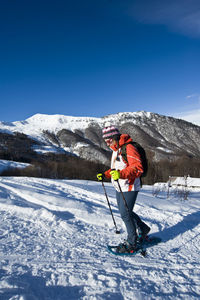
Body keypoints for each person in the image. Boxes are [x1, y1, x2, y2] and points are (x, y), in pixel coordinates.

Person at [97, 125, 150, 254]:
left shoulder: (129, 148)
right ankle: (142, 229)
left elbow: (138, 168)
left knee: (125, 214)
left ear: (114, 137)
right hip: (120, 186)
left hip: (130, 186)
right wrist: (105, 174)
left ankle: (132, 243)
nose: (106, 143)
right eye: (105, 140)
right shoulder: (116, 150)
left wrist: (121, 175)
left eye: (108, 140)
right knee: (125, 212)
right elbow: (117, 168)